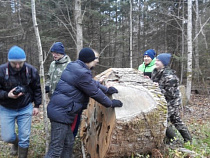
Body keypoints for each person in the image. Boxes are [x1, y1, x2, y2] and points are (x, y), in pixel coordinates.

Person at [45, 47, 123, 158]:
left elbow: (91, 83)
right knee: (55, 151)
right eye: (94, 59)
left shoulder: (74, 67)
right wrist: (110, 103)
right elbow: (94, 92)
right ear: (89, 60)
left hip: (63, 112)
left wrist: (106, 90)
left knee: (68, 144)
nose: (96, 61)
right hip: (61, 114)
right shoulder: (81, 72)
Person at [0, 46, 42, 158]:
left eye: (20, 63)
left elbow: (37, 88)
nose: (18, 66)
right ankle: (15, 142)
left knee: (25, 137)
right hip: (6, 108)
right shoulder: (1, 71)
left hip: (25, 107)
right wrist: (7, 95)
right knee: (7, 137)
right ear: (9, 61)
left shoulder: (31, 70)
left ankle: (22, 153)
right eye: (14, 64)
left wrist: (36, 105)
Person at [151, 53, 192, 144]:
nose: (156, 62)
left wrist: (158, 88)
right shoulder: (155, 71)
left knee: (161, 120)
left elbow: (171, 94)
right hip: (162, 101)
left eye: (158, 60)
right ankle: (187, 140)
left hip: (172, 102)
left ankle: (174, 140)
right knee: (176, 120)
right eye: (156, 60)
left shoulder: (170, 76)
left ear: (164, 63)